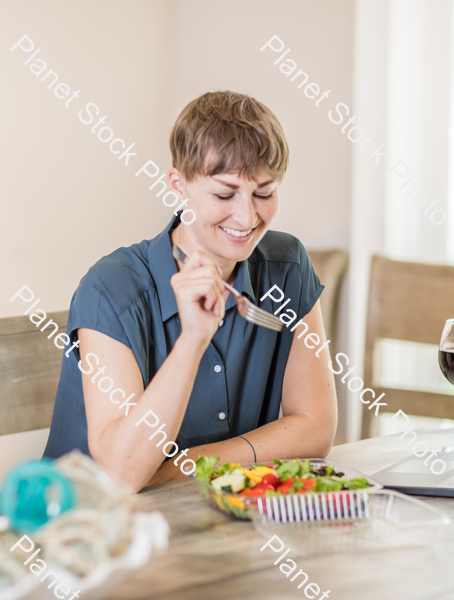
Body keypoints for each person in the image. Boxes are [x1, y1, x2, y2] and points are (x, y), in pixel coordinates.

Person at [43, 90, 337, 491]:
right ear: (178, 186)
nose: (247, 216)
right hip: (89, 530)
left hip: (213, 521)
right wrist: (193, 339)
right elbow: (122, 473)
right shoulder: (110, 290)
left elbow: (316, 428)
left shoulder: (287, 267)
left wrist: (188, 464)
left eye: (264, 192)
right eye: (224, 194)